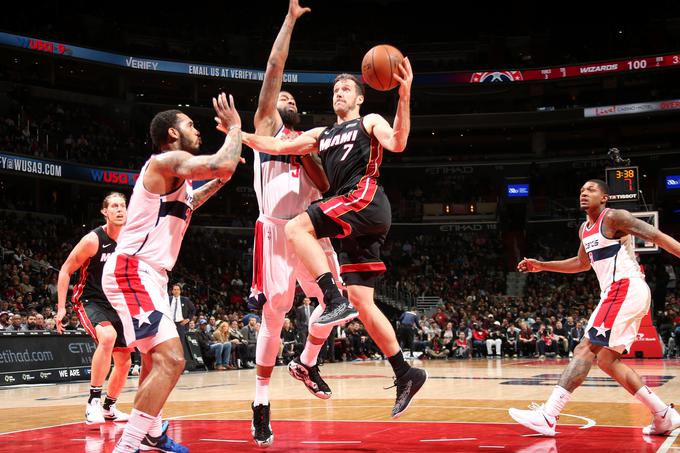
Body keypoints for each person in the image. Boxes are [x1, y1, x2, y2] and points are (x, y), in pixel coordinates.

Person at [241, 56, 428, 418]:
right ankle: (405, 372)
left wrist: (404, 95)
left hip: (364, 198)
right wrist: (239, 135)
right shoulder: (321, 135)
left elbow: (399, 141)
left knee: (297, 226)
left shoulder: (368, 121)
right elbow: (277, 147)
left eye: (346, 89)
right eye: (335, 90)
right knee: (361, 302)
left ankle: (328, 297)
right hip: (354, 214)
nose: (339, 93)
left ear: (360, 98)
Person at [102, 93, 243, 453]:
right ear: (172, 133)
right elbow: (222, 161)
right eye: (190, 124)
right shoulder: (166, 161)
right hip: (133, 269)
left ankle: (149, 431)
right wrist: (236, 128)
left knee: (154, 361)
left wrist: (220, 181)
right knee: (173, 359)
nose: (196, 129)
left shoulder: (175, 180)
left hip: (151, 275)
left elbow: (193, 199)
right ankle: (128, 445)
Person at [236, 1, 344, 447]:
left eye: (293, 101)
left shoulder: (308, 142)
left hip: (309, 229)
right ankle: (261, 402)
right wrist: (290, 20)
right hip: (274, 231)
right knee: (275, 316)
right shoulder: (266, 128)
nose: (287, 101)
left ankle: (306, 362)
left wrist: (307, 155)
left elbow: (324, 185)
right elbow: (274, 66)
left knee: (338, 301)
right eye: (283, 99)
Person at [509, 179, 680, 437]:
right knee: (607, 360)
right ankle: (663, 415)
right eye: (581, 191)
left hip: (624, 287)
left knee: (585, 348)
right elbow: (580, 263)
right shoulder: (584, 229)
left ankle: (549, 415)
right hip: (618, 292)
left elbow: (656, 236)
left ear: (605, 197)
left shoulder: (614, 217)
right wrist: (542, 266)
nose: (584, 193)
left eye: (591, 190)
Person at [56, 192, 132, 424]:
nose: (120, 210)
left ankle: (110, 406)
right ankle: (93, 402)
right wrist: (61, 308)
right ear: (104, 211)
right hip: (90, 300)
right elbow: (65, 270)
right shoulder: (93, 240)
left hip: (117, 302)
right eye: (114, 206)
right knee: (107, 337)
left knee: (125, 360)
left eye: (123, 206)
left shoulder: (131, 238)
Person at [168, 283, 195, 354]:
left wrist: (188, 319)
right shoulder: (168, 299)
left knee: (180, 343)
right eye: (175, 290)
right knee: (170, 342)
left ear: (180, 291)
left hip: (181, 324)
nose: (176, 291)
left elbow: (193, 310)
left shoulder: (185, 300)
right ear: (172, 291)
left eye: (178, 290)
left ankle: (179, 360)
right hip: (170, 324)